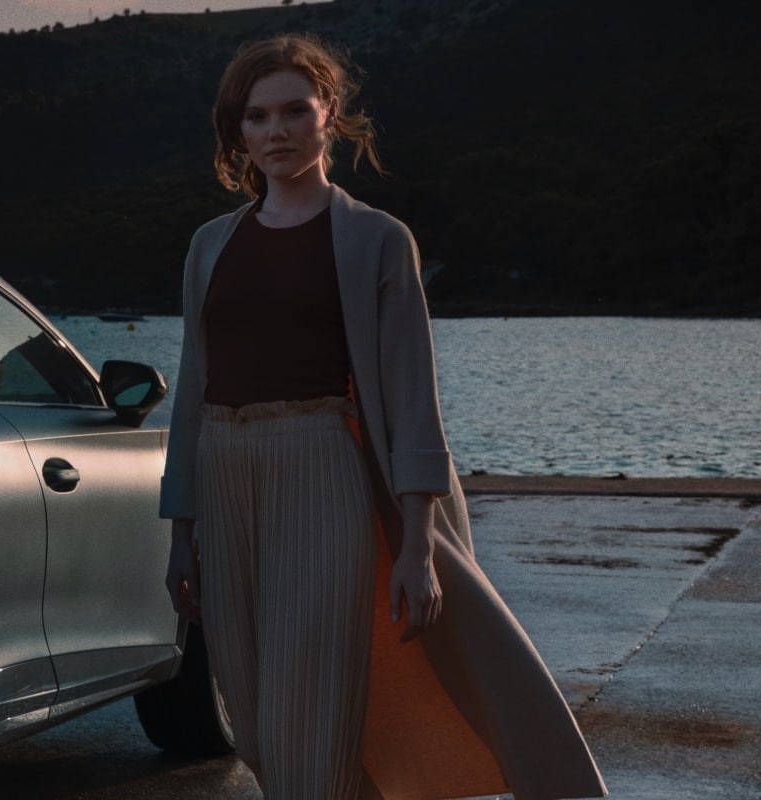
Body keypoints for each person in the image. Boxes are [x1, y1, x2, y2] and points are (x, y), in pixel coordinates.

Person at [155, 33, 609, 800]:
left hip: (321, 463)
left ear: (329, 113)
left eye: (295, 110)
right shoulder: (210, 245)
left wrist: (418, 545)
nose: (276, 132)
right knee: (255, 720)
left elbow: (411, 398)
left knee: (315, 706)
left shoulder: (377, 239)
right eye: (257, 117)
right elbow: (194, 387)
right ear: (238, 131)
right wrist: (181, 534)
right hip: (223, 473)